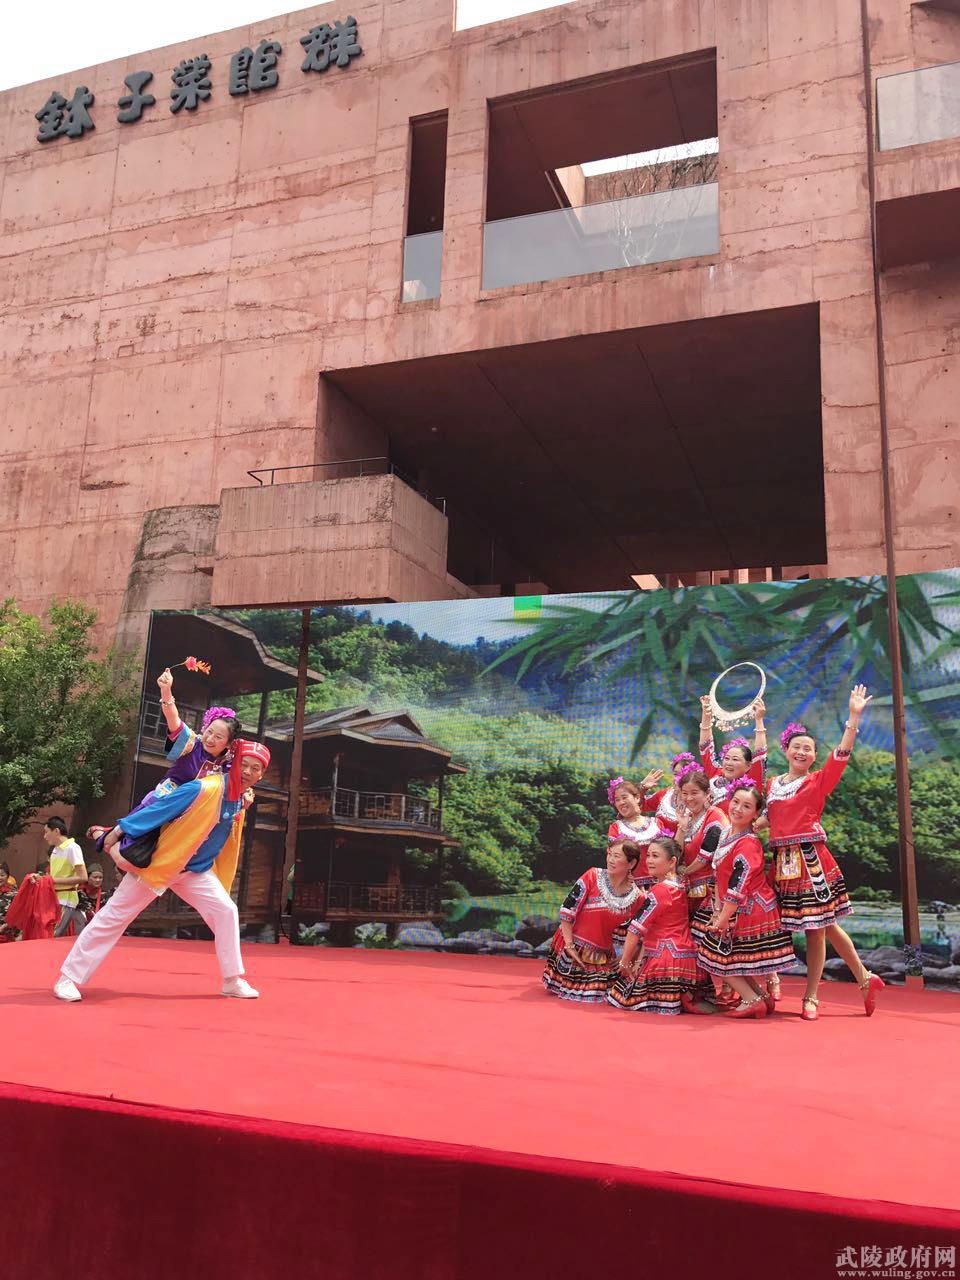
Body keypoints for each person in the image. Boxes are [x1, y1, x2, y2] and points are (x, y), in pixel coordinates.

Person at [53, 741, 271, 1003]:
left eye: (255, 768)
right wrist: (119, 830)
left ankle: (232, 980)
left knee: (226, 911)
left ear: (261, 775)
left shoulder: (239, 799)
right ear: (233, 764)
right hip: (161, 864)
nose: (247, 771)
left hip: (194, 870)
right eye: (243, 764)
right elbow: (160, 808)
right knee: (114, 916)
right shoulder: (204, 787)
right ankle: (68, 977)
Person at [767, 684, 883, 1021]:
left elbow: (842, 754)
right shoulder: (772, 785)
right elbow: (767, 818)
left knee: (817, 928)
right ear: (785, 750)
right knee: (827, 926)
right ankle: (865, 978)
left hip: (810, 860)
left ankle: (811, 997)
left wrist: (853, 717)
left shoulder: (818, 780)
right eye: (796, 747)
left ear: (815, 756)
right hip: (782, 863)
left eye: (808, 748)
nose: (802, 752)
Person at [87, 670, 243, 849]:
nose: (210, 738)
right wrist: (166, 690)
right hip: (163, 802)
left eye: (218, 737)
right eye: (210, 731)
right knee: (127, 848)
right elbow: (173, 718)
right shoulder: (192, 744)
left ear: (228, 743)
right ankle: (107, 832)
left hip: (192, 814)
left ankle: (108, 832)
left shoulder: (226, 765)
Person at [694, 783, 795, 1019]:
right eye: (736, 802)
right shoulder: (726, 833)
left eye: (746, 806)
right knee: (733, 958)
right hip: (734, 906)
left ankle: (752, 999)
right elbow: (720, 877)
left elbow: (737, 886)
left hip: (749, 908)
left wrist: (722, 918)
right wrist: (717, 909)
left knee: (713, 954)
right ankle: (760, 997)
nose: (738, 809)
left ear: (756, 814)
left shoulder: (748, 844)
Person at [608, 837, 714, 1015]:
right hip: (687, 957)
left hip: (665, 959)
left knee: (620, 997)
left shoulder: (661, 890)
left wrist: (625, 961)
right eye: (648, 855)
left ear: (672, 861)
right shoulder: (680, 882)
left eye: (655, 856)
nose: (649, 860)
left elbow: (635, 929)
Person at [542, 839, 644, 1002]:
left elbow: (638, 933)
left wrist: (626, 957)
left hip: (603, 956)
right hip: (572, 945)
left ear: (631, 863)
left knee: (603, 995)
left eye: (617, 856)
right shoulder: (592, 876)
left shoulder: (638, 897)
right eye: (610, 854)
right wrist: (569, 945)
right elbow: (568, 908)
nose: (611, 860)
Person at [671, 766, 739, 1005]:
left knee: (713, 938)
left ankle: (737, 989)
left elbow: (705, 857)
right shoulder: (688, 818)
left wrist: (682, 870)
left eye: (694, 793)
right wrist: (681, 828)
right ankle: (706, 988)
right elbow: (675, 852)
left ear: (707, 793)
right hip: (690, 890)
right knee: (696, 941)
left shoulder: (715, 817)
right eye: (684, 793)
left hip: (712, 890)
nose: (689, 798)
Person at [698, 695, 768, 812]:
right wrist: (706, 715)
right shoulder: (716, 774)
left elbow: (760, 754)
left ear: (748, 766)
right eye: (727, 758)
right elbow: (705, 747)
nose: (729, 763)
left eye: (735, 759)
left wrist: (759, 720)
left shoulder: (752, 782)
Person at [606, 778, 663, 888]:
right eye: (617, 800)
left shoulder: (656, 823)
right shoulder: (616, 828)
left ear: (637, 798)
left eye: (624, 797)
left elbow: (667, 853)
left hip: (659, 885)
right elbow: (613, 859)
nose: (621, 802)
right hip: (631, 887)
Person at [42, 817, 89, 938]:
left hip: (66, 899)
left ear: (56, 831)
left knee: (51, 936)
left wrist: (52, 880)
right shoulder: (55, 850)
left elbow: (83, 877)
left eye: (46, 832)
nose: (45, 836)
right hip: (53, 898)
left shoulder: (72, 848)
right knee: (47, 935)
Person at [638, 753, 699, 835]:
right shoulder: (665, 795)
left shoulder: (699, 803)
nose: (676, 779)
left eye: (683, 775)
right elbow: (638, 806)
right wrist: (642, 787)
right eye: (675, 774)